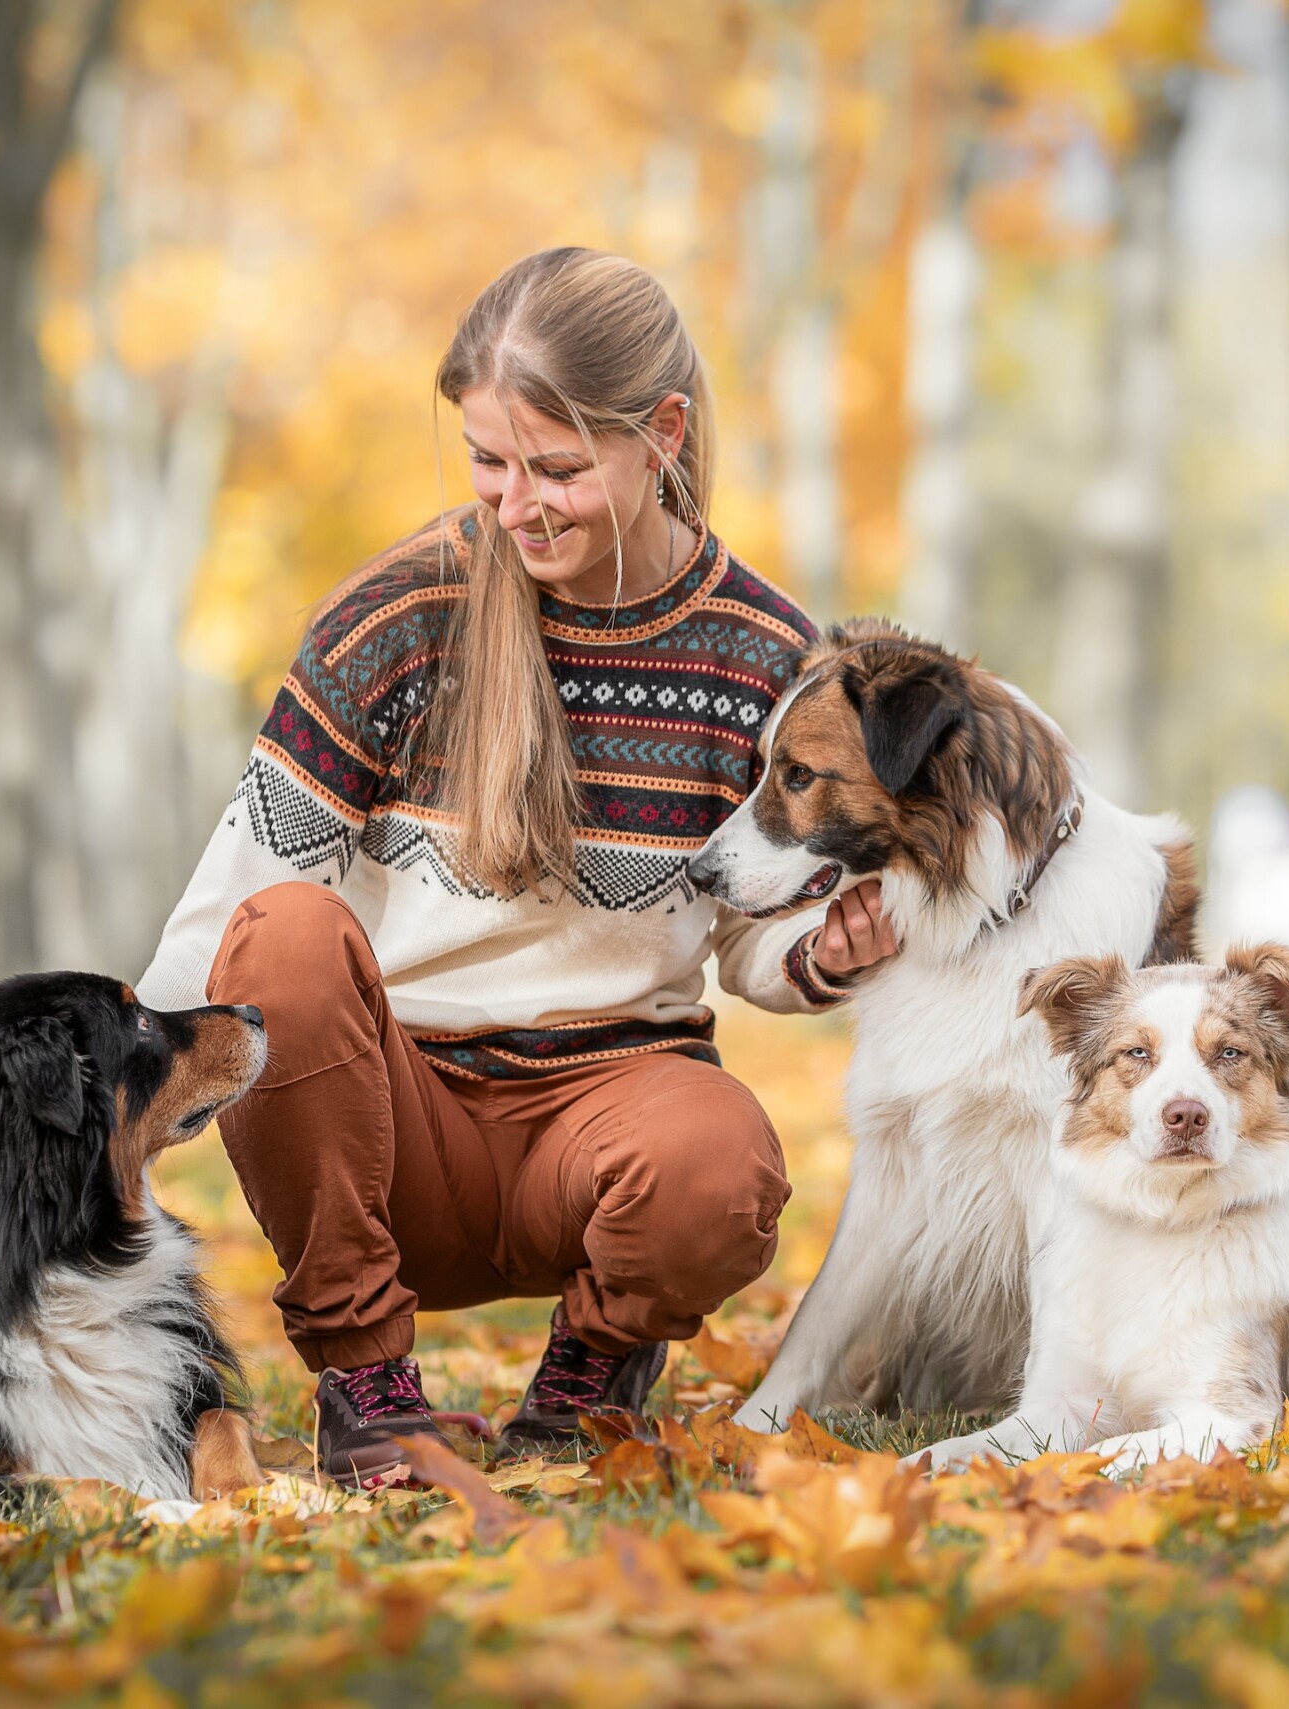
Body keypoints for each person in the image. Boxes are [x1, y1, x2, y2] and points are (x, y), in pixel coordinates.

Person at [136, 247, 898, 1485]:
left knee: (726, 1165)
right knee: (279, 930)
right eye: (488, 461)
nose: (515, 502)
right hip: (382, 1132)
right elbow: (230, 901)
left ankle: (588, 1382)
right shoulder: (399, 616)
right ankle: (369, 1393)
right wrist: (112, 1122)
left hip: (601, 1127)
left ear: (662, 436)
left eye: (555, 468)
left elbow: (747, 920)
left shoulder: (759, 651)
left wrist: (816, 952)